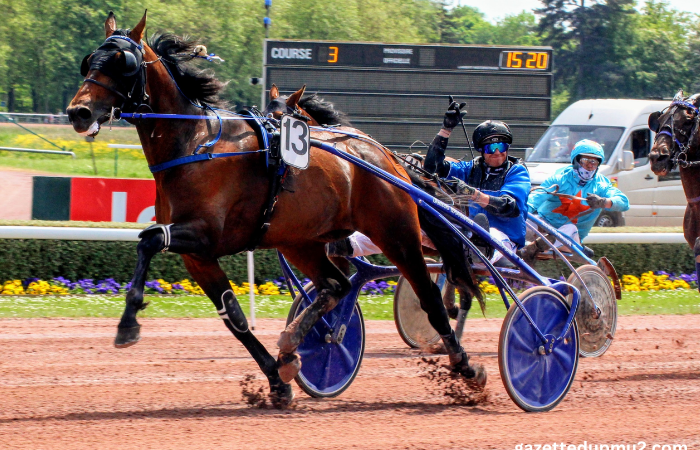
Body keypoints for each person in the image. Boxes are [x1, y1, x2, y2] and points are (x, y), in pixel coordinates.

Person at [327, 102, 531, 267]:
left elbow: (510, 208)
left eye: (502, 145)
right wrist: (446, 130)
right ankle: (347, 244)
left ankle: (478, 250)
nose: (498, 152)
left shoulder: (516, 171)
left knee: (486, 235)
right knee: (405, 227)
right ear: (481, 149)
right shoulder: (471, 168)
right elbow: (433, 167)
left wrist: (474, 194)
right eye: (491, 146)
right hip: (467, 232)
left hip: (503, 238)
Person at [522, 139, 630, 263]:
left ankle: (534, 248)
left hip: (570, 237)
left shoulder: (601, 185)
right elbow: (535, 198)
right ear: (575, 161)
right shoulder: (559, 178)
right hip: (543, 226)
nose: (590, 166)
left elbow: (624, 203)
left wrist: (603, 202)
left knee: (570, 228)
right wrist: (521, 212)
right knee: (522, 220)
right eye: (585, 161)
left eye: (594, 162)